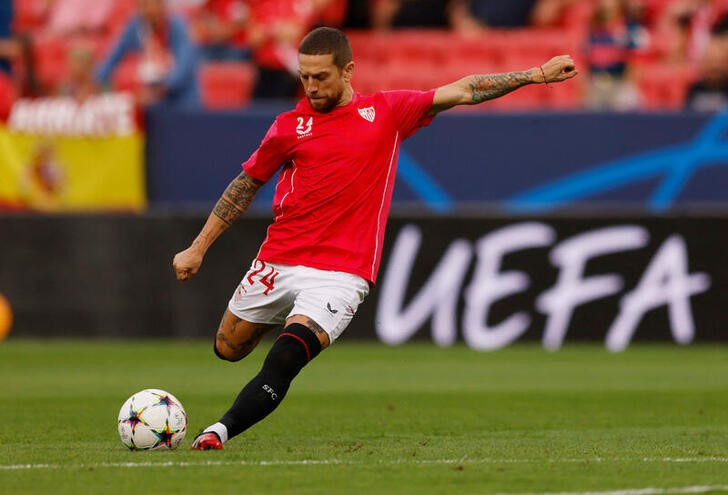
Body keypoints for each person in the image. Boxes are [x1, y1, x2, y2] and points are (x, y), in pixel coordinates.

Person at [172, 26, 577, 450]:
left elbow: (464, 90)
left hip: (341, 272)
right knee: (228, 348)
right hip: (279, 258)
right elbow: (245, 184)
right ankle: (281, 325)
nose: (310, 87)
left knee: (287, 357)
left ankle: (219, 431)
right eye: (304, 76)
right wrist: (198, 247)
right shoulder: (288, 127)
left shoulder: (385, 112)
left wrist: (535, 74)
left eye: (321, 77)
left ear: (348, 71)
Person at [96, 0, 200, 108]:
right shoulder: (135, 27)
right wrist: (96, 81)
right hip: (155, 103)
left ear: (162, 5)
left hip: (183, 102)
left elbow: (184, 66)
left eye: (152, 4)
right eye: (144, 5)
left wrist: (161, 89)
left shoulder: (178, 26)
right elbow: (113, 57)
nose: (149, 10)